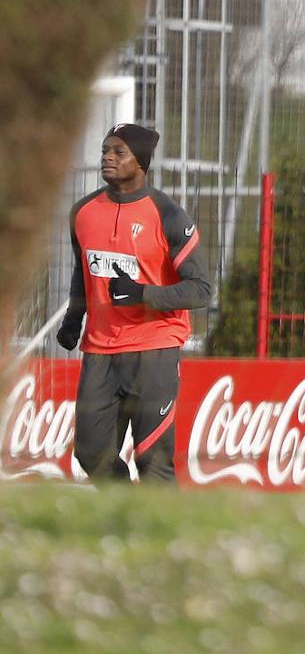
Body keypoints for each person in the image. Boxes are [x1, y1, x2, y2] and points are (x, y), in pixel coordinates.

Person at [56, 123, 212, 483]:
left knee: (153, 460)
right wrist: (73, 318)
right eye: (104, 150)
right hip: (100, 352)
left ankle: (155, 520)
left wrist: (144, 293)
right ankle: (129, 511)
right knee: (91, 454)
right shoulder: (82, 212)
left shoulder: (169, 215)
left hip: (154, 351)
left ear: (140, 161)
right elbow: (83, 271)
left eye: (118, 151)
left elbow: (201, 290)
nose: (107, 157)